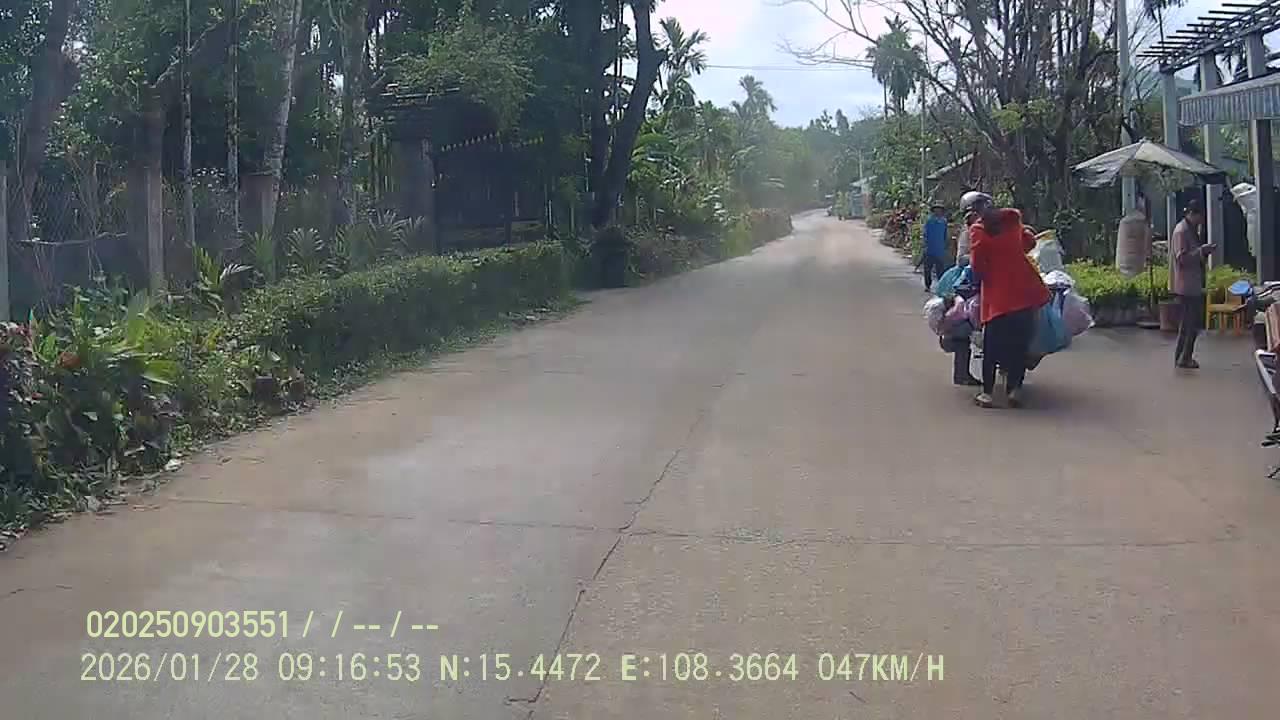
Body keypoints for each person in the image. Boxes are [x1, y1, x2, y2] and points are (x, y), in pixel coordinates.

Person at [965, 191, 1050, 408]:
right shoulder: (1012, 222)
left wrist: (982, 279)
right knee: (1019, 346)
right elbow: (1029, 243)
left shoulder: (978, 230)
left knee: (991, 348)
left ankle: (987, 394)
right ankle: (1014, 391)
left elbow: (977, 264)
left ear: (975, 213)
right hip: (1024, 292)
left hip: (998, 297)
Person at [1170, 198, 1213, 369]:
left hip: (1191, 284)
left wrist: (1203, 252)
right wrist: (1201, 251)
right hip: (1186, 286)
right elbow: (1182, 258)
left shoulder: (1190, 229)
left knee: (1189, 323)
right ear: (1193, 214)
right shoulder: (1182, 231)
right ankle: (1183, 357)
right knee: (1190, 324)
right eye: (1200, 217)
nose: (1201, 221)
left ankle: (1182, 356)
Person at [921, 204, 949, 291]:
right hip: (929, 248)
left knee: (940, 269)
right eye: (936, 210)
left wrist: (945, 245)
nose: (938, 211)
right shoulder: (929, 221)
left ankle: (940, 286)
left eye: (939, 210)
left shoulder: (944, 222)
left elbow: (945, 235)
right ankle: (927, 285)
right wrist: (924, 245)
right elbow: (925, 234)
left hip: (939, 249)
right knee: (927, 269)